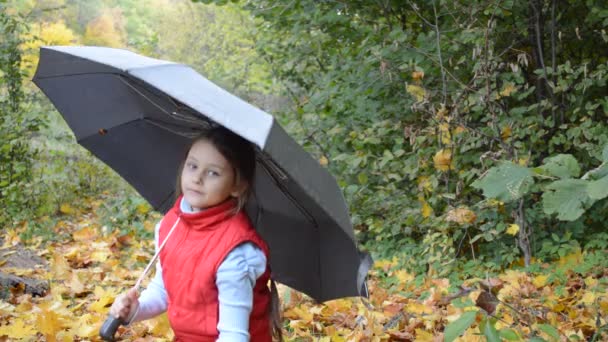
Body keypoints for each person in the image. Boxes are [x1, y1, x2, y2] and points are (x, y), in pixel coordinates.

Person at [109, 126, 282, 342]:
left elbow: (234, 335)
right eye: (192, 166)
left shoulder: (235, 253)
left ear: (238, 186)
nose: (197, 178)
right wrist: (135, 309)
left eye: (213, 173)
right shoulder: (170, 225)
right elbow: (164, 290)